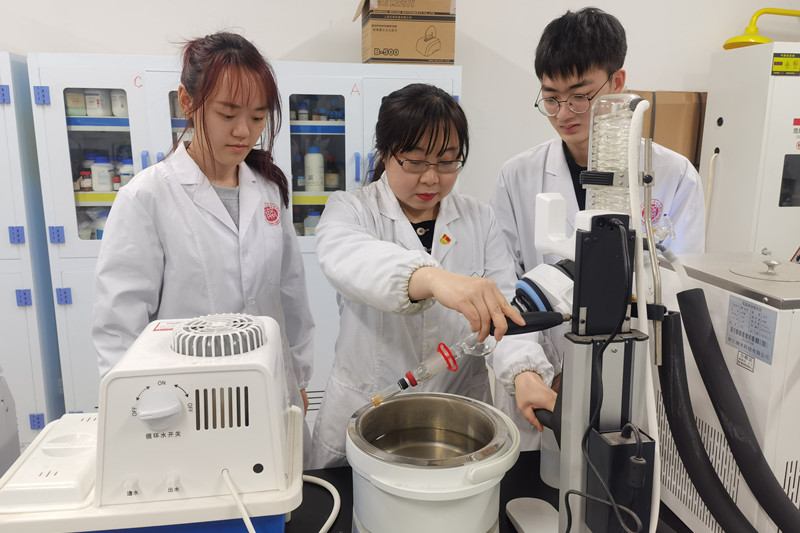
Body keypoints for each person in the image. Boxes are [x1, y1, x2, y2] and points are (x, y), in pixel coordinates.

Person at [490, 7, 706, 449]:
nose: (563, 113)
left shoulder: (673, 175)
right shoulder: (518, 175)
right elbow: (502, 284)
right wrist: (527, 368)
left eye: (579, 96)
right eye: (551, 98)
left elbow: (679, 287)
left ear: (617, 82)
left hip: (632, 377)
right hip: (540, 380)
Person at [308, 83, 554, 469]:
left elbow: (504, 310)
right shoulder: (351, 209)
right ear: (386, 152)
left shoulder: (479, 218)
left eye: (447, 162)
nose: (431, 178)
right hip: (367, 412)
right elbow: (348, 258)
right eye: (416, 162)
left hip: (456, 418)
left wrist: (524, 372)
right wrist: (434, 279)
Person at [92, 32, 315, 456]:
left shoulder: (268, 191)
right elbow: (118, 327)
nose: (244, 131)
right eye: (228, 113)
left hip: (272, 390)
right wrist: (136, 411)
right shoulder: (147, 197)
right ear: (188, 102)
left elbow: (291, 296)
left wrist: (299, 378)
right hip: (186, 405)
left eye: (258, 117)